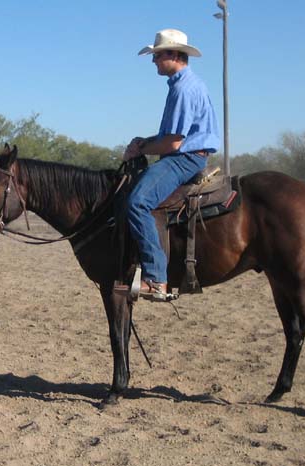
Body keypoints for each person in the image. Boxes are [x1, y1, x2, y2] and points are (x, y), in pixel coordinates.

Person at [121, 28, 221, 301]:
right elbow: (169, 137)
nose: (154, 60)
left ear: (175, 55)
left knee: (137, 202)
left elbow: (174, 144)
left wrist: (141, 149)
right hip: (187, 153)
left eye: (158, 55)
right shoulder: (183, 85)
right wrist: (144, 143)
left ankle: (156, 279)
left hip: (185, 158)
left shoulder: (184, 90)